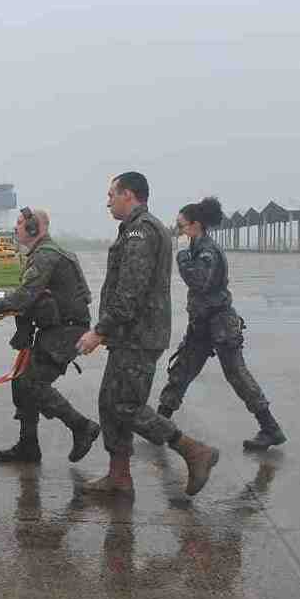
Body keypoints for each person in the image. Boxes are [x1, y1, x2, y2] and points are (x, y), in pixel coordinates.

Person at [76, 172, 220, 496]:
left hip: (138, 335)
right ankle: (119, 477)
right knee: (110, 402)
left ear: (129, 194)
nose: (108, 200)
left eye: (112, 194)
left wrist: (99, 331)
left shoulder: (141, 231)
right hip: (131, 335)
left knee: (125, 405)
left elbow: (130, 291)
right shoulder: (136, 229)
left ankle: (193, 450)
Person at [0, 207, 102, 464]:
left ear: (34, 228)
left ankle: (81, 426)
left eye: (19, 223)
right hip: (57, 328)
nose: (15, 228)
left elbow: (24, 296)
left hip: (65, 330)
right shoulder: (43, 254)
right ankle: (28, 445)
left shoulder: (46, 256)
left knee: (33, 385)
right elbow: (33, 299)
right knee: (21, 382)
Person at [157, 197, 286, 450]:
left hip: (220, 324)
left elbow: (199, 282)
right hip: (202, 324)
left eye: (182, 225)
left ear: (196, 225)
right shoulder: (197, 246)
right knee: (181, 371)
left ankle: (270, 428)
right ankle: (160, 424)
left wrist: (182, 257)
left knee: (237, 375)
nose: (179, 230)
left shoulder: (207, 251)